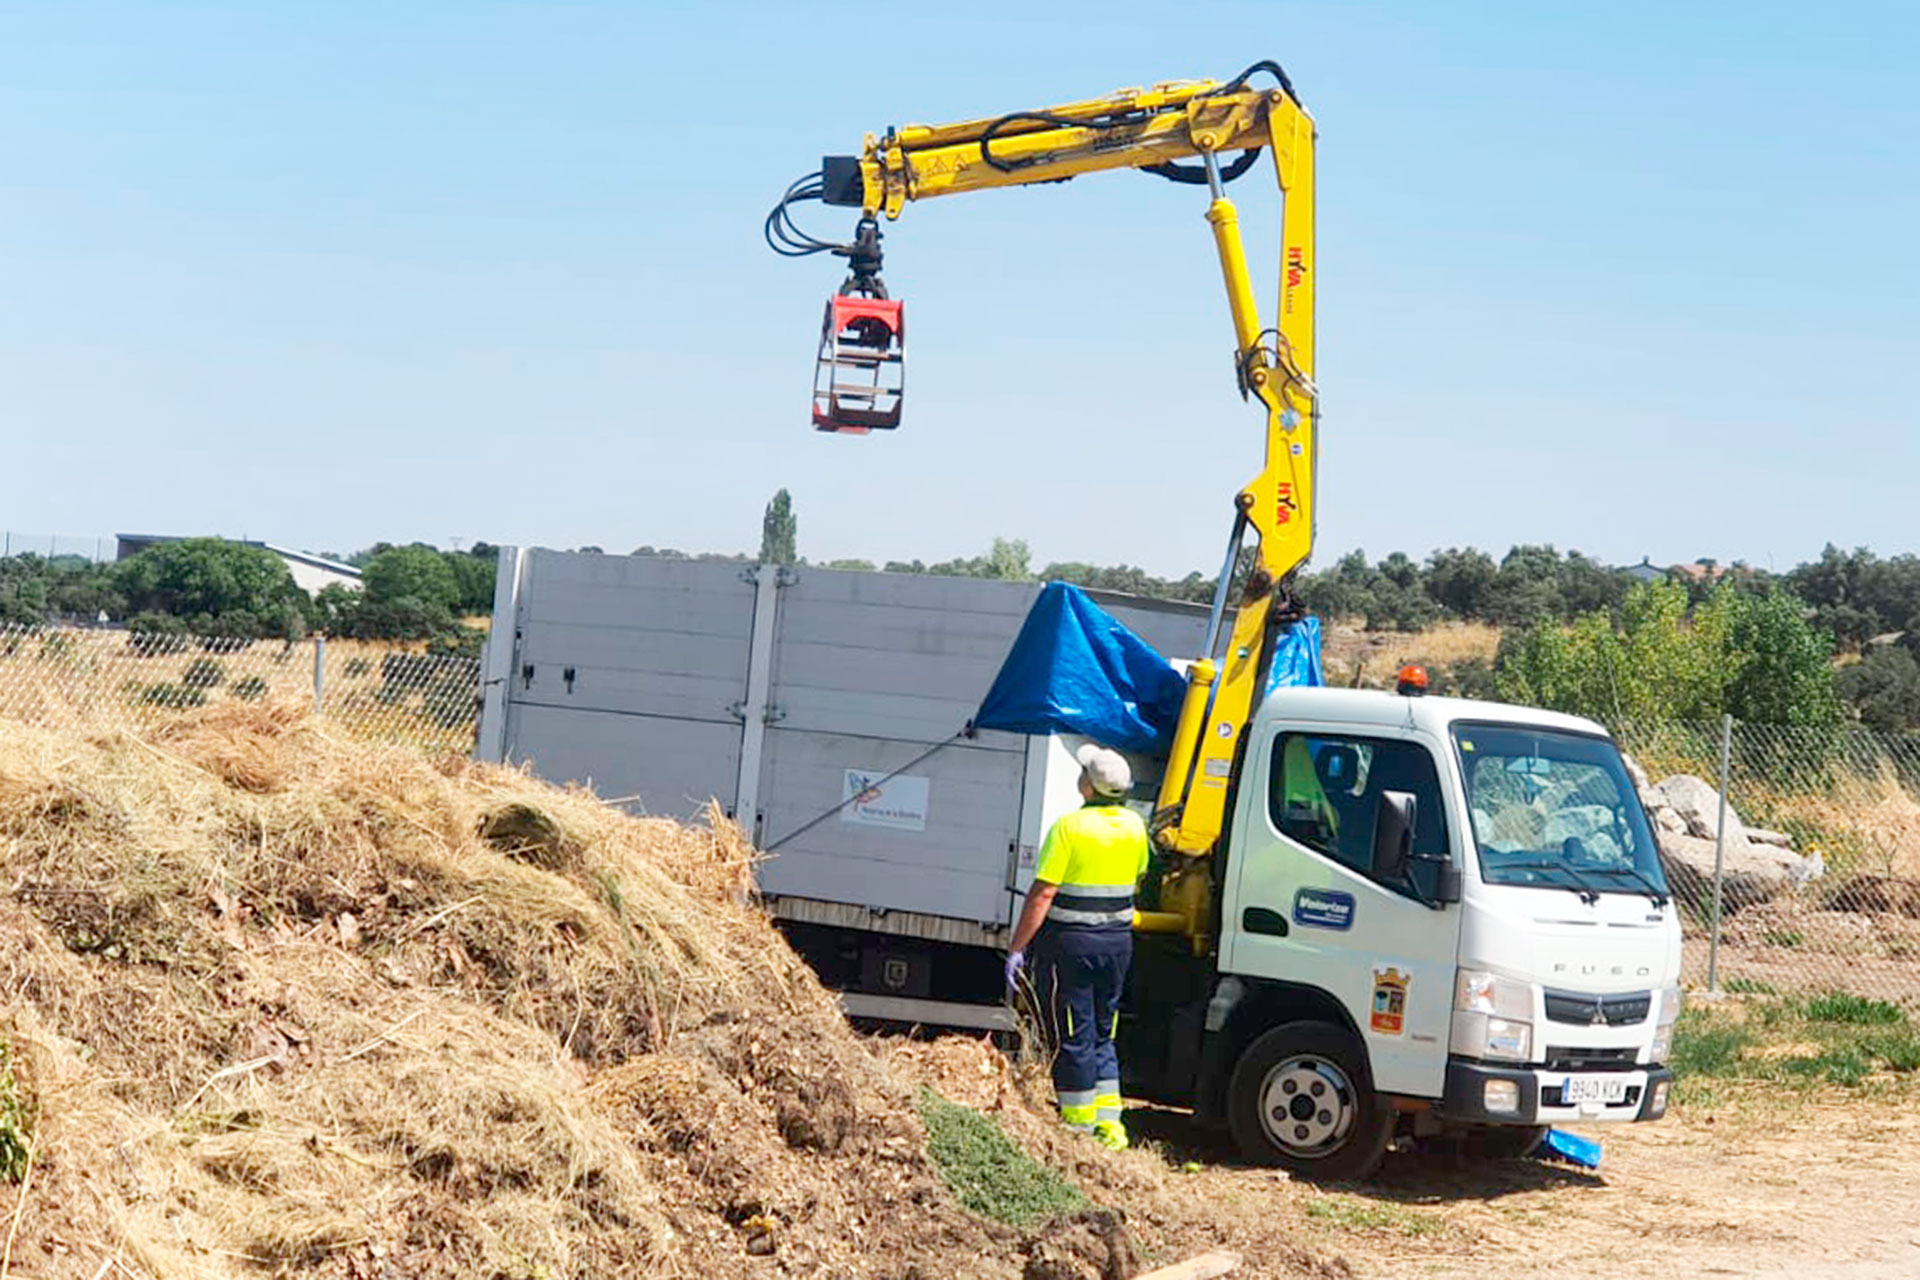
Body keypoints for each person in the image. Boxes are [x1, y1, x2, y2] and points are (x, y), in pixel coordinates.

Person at [1005, 742, 1149, 1151]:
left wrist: (1017, 948)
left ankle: (1077, 1128)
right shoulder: (1135, 827)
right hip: (1118, 944)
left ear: (1089, 786)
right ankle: (1110, 1127)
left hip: (1072, 946)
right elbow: (1136, 878)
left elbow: (1043, 893)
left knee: (1075, 1034)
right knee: (1105, 1033)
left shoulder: (1069, 828)